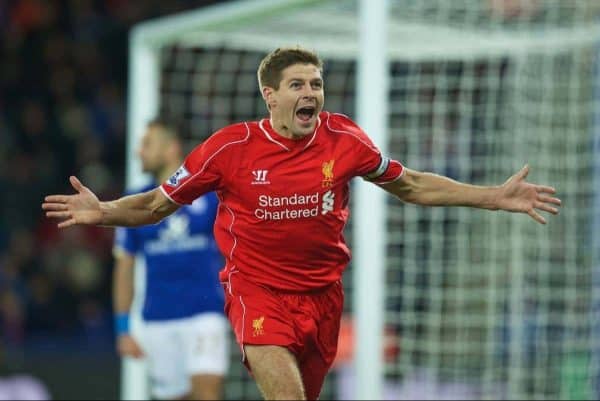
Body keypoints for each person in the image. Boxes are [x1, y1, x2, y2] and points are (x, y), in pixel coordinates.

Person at [42, 46, 562, 400]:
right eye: (297, 84)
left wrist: (492, 196)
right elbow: (157, 205)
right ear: (271, 96)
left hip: (323, 298)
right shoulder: (228, 149)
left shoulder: (345, 140)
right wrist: (105, 211)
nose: (310, 92)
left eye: (316, 82)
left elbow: (412, 184)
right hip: (258, 291)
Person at [111, 118, 229, 400]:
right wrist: (123, 328)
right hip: (158, 319)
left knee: (206, 393)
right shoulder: (133, 201)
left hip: (205, 313)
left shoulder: (209, 195)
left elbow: (235, 250)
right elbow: (124, 268)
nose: (139, 151)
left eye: (147, 144)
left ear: (171, 148)